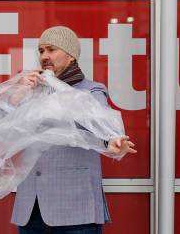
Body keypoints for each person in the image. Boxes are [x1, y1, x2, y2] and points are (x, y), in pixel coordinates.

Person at [10, 26, 136, 234]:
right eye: (41, 51)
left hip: (74, 209)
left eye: (51, 49)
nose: (45, 56)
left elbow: (98, 120)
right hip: (32, 209)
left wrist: (110, 140)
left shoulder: (91, 90)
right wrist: (17, 94)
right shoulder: (31, 91)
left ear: (70, 55)